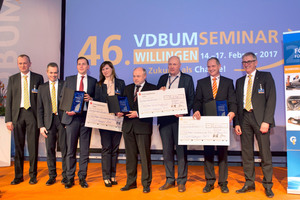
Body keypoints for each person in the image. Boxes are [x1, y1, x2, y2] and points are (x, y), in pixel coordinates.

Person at [234, 52, 276, 198]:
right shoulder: (239, 81)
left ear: (256, 62)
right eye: (244, 62)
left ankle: (268, 185)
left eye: (249, 61)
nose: (246, 64)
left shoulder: (266, 77)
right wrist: (237, 123)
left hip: (261, 120)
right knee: (246, 154)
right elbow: (237, 104)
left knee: (265, 153)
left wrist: (267, 121)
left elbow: (271, 99)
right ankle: (249, 183)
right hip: (244, 118)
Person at [193, 57, 236, 193]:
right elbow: (197, 101)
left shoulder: (228, 82)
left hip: (222, 123)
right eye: (208, 67)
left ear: (219, 66)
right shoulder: (201, 83)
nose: (211, 69)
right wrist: (197, 110)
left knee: (223, 153)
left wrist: (232, 112)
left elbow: (233, 101)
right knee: (208, 152)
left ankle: (223, 182)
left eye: (213, 66)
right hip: (207, 123)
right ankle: (209, 181)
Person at [157, 56, 194, 192]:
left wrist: (184, 112)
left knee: (181, 151)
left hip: (180, 120)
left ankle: (182, 181)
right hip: (165, 121)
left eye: (174, 64)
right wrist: (158, 93)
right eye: (170, 64)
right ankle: (170, 179)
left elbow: (191, 99)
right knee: (167, 152)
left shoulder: (187, 79)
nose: (172, 66)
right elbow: (156, 99)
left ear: (180, 65)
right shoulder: (162, 79)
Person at [5, 54, 44, 185]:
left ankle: (33, 175)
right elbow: (9, 100)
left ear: (30, 63)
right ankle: (18, 176)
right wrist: (8, 119)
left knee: (33, 147)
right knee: (18, 147)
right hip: (18, 116)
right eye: (20, 63)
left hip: (32, 115)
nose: (23, 65)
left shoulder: (38, 78)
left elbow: (41, 100)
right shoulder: (13, 79)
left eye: (25, 63)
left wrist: (41, 119)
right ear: (18, 64)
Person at [61, 57, 97, 189]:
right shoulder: (69, 79)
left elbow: (98, 100)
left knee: (84, 150)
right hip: (71, 118)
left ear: (88, 66)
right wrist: (68, 109)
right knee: (70, 150)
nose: (81, 66)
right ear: (76, 66)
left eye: (84, 64)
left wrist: (91, 99)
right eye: (79, 64)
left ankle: (82, 177)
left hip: (86, 118)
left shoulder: (93, 82)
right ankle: (70, 178)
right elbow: (62, 97)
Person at [118, 67, 156, 193]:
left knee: (145, 157)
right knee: (130, 157)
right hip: (128, 127)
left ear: (144, 76)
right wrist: (119, 112)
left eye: (138, 76)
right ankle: (131, 182)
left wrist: (138, 113)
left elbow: (153, 108)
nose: (135, 78)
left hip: (143, 127)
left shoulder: (152, 88)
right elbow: (123, 105)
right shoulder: (128, 88)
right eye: (134, 76)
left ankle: (146, 184)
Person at [94, 61, 125, 187]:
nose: (105, 71)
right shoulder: (99, 85)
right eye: (103, 70)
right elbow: (96, 101)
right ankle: (106, 176)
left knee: (114, 149)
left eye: (107, 68)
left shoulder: (121, 83)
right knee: (106, 148)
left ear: (112, 69)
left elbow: (124, 100)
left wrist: (122, 111)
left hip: (117, 120)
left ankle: (112, 175)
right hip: (104, 121)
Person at [37, 62, 67, 186]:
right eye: (51, 72)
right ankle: (52, 176)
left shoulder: (64, 85)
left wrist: (67, 121)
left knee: (65, 149)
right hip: (48, 123)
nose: (53, 75)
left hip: (63, 122)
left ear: (58, 72)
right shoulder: (42, 88)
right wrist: (41, 126)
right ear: (47, 72)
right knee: (50, 150)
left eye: (55, 72)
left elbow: (68, 103)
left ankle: (66, 176)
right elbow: (39, 108)